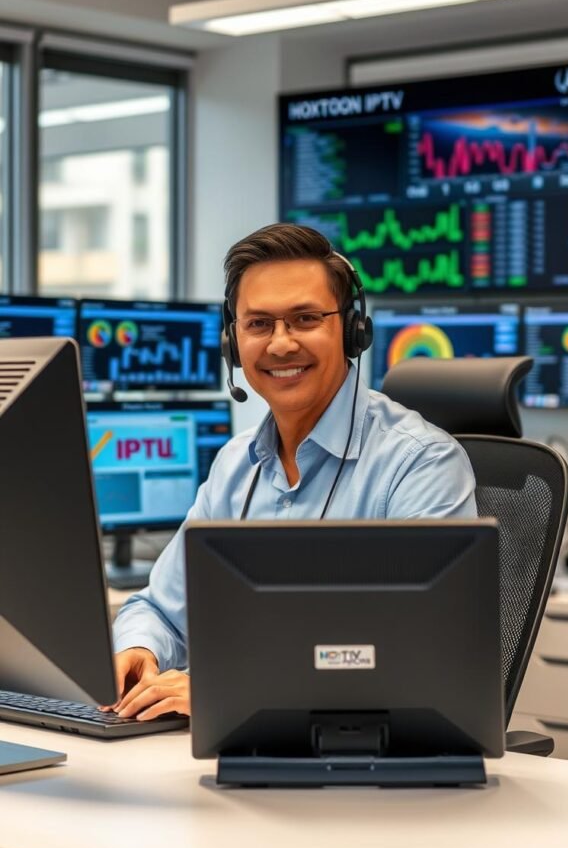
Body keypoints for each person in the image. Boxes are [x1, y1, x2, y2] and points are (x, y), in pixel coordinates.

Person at [108, 223, 477, 721]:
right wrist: (140, 650)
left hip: (362, 752)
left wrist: (233, 692)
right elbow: (158, 609)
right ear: (233, 341)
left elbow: (418, 651)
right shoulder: (236, 466)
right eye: (259, 324)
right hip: (229, 747)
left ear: (352, 331)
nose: (281, 344)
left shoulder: (420, 464)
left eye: (305, 319)